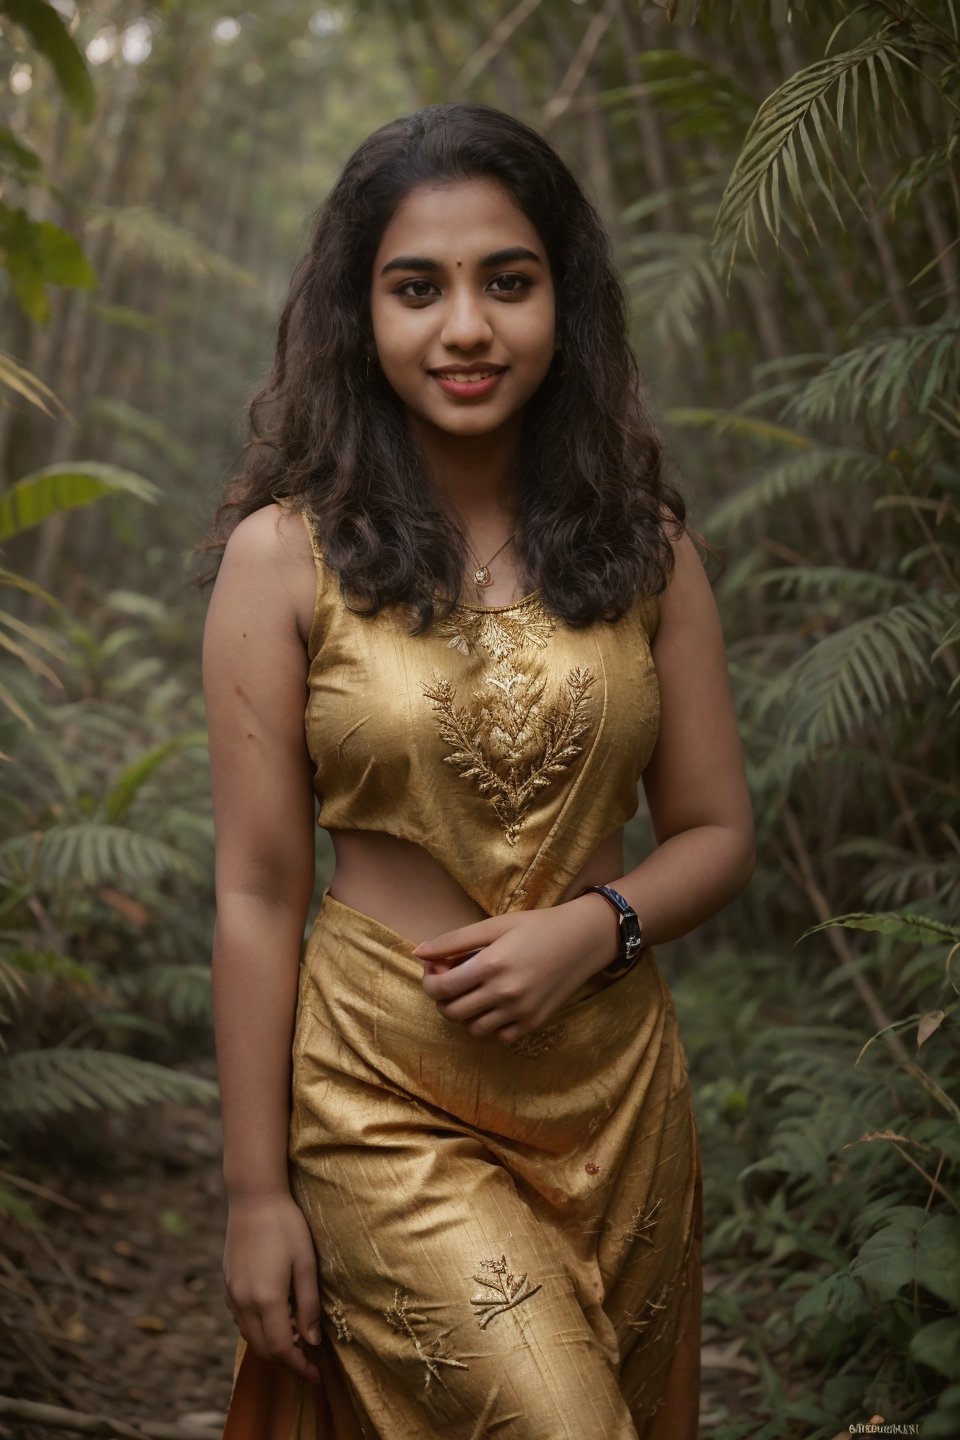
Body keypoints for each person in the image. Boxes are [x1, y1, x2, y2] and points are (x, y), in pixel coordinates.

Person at [203, 102, 754, 1440]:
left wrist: (596, 927)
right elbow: (260, 894)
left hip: (615, 1098)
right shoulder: (282, 559)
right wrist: (255, 1196)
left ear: (564, 300)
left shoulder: (647, 549)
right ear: (361, 315)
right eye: (418, 288)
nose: (466, 327)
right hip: (382, 1097)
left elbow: (715, 831)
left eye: (508, 281)